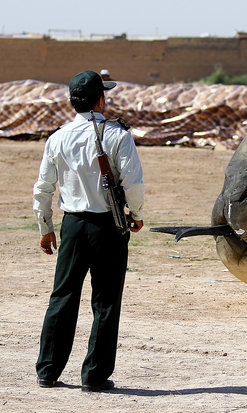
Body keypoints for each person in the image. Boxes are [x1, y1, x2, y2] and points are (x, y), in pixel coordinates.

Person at [33, 70, 144, 392]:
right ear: (100, 99)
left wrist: (45, 227)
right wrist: (136, 214)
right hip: (109, 225)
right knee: (106, 301)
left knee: (62, 296)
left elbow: (43, 187)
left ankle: (48, 370)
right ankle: (95, 375)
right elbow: (132, 182)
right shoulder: (117, 135)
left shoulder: (58, 137)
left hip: (73, 224)